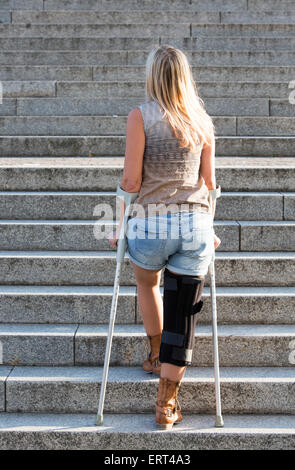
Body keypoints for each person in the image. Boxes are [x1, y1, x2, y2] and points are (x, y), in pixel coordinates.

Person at [108, 45, 221, 430]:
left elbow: (131, 181)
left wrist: (120, 223)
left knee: (147, 282)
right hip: (193, 226)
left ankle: (156, 353)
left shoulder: (140, 117)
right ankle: (166, 404)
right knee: (183, 313)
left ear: (153, 76)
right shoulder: (202, 121)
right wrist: (210, 227)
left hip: (150, 224)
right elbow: (209, 183)